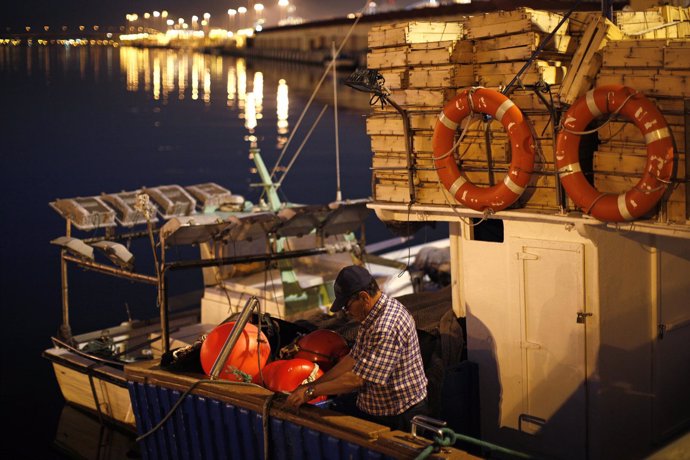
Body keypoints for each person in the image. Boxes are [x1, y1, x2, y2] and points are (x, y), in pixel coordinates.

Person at [285, 265, 429, 431]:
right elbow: (353, 358)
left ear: (364, 297)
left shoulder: (386, 326)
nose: (346, 313)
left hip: (400, 416)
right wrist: (313, 385)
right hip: (378, 408)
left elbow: (357, 380)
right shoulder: (372, 316)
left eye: (347, 307)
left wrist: (310, 392)